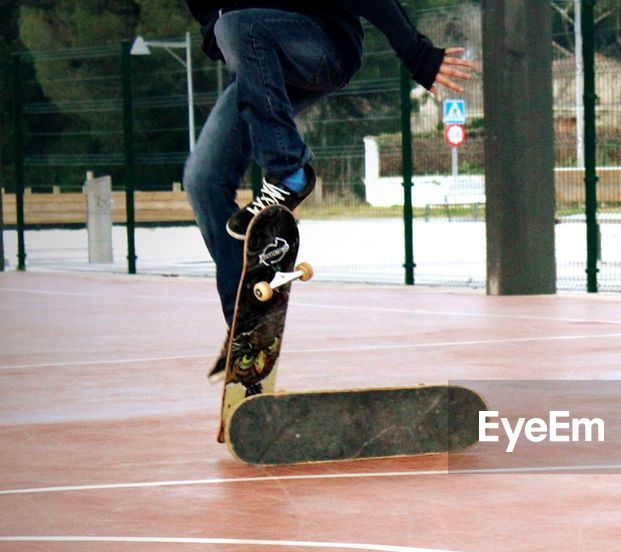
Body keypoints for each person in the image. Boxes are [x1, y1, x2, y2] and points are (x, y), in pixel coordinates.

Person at [182, 0, 473, 376]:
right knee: (202, 180)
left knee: (238, 27)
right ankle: (245, 325)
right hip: (261, 65)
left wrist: (416, 52)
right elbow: (211, 31)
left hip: (325, 44)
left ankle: (289, 171)